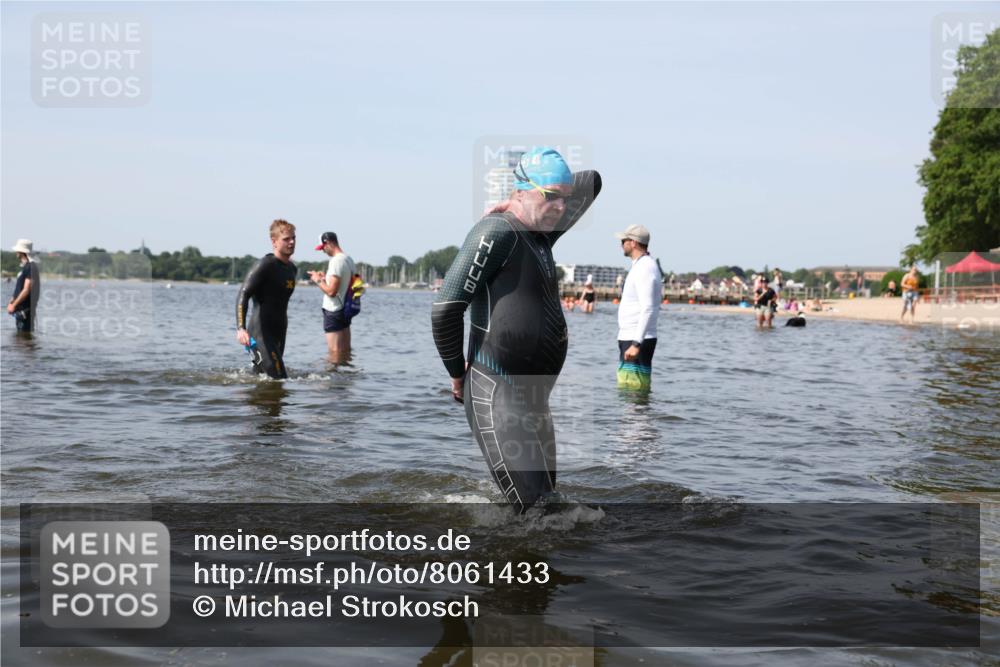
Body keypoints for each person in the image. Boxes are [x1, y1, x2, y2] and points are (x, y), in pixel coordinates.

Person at [431, 147, 601, 513]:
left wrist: (533, 196)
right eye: (550, 196)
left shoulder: (542, 234)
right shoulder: (496, 231)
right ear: (522, 190)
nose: (559, 207)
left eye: (564, 198)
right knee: (539, 512)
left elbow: (593, 182)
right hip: (496, 387)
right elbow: (446, 309)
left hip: (535, 396)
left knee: (549, 509)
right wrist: (456, 373)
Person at [235, 220, 298, 378]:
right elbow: (243, 294)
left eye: (293, 238)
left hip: (279, 331)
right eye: (286, 239)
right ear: (274, 241)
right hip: (258, 334)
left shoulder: (292, 269)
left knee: (261, 378)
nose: (291, 242)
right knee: (279, 378)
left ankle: (251, 401)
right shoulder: (265, 265)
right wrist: (241, 328)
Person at [615, 224, 662, 390]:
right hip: (631, 336)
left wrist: (636, 344)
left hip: (636, 338)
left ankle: (638, 417)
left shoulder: (645, 268)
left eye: (623, 240)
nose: (621, 244)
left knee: (634, 391)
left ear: (633, 242)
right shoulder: (640, 265)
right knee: (627, 389)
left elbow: (648, 307)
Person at [309, 232, 356, 362]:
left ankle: (332, 381)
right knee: (345, 352)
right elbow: (346, 284)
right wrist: (325, 278)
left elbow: (331, 292)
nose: (323, 251)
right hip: (345, 310)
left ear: (328, 243)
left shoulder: (336, 261)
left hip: (333, 311)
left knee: (334, 353)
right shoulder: (348, 259)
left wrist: (317, 280)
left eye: (323, 247)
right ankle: (345, 379)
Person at [7, 239, 40, 333]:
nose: (16, 252)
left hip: (25, 310)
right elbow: (19, 288)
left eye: (18, 250)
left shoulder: (31, 267)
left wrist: (14, 305)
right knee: (21, 340)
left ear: (22, 252)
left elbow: (26, 289)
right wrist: (12, 302)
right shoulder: (25, 267)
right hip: (20, 309)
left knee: (23, 340)